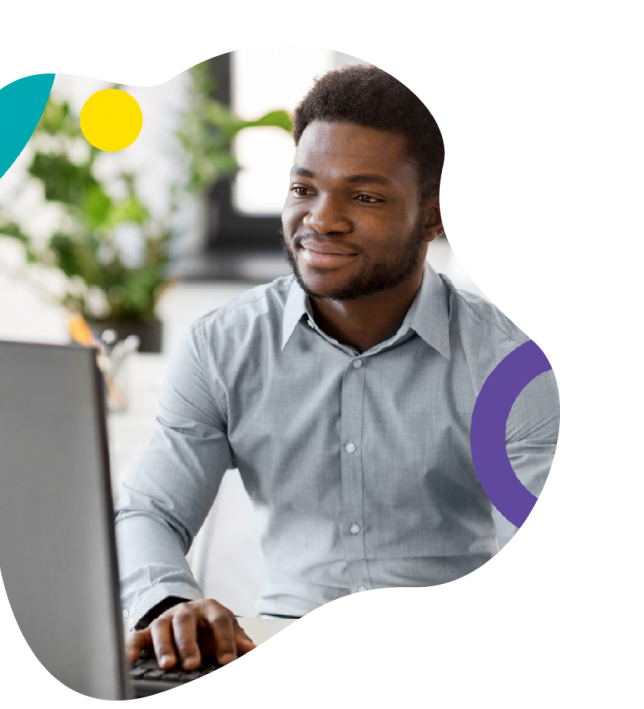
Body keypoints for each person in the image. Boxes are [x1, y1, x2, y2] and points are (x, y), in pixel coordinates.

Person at [115, 65, 559, 672]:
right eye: (304, 189)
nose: (321, 219)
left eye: (366, 196)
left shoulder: (506, 366)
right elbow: (151, 512)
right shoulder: (225, 347)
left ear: (433, 217)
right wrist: (168, 601)